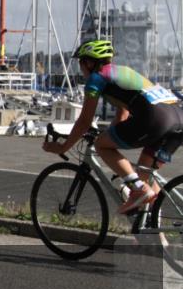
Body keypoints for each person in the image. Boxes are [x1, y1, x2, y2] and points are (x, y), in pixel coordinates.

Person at [43, 39, 183, 214]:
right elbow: (122, 113)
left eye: (81, 63)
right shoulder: (121, 72)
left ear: (89, 63)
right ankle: (153, 228)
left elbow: (84, 121)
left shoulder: (97, 78)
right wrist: (111, 135)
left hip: (156, 120)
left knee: (101, 145)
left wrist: (63, 147)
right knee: (144, 178)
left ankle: (138, 189)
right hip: (178, 120)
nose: (80, 68)